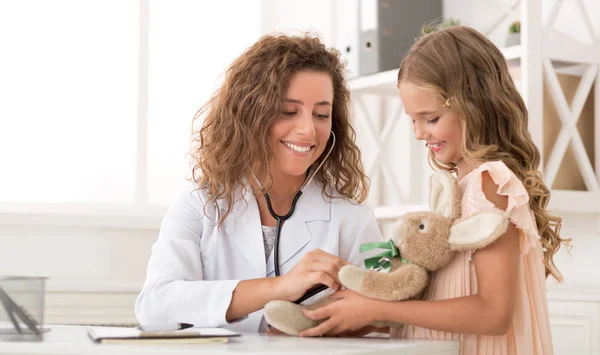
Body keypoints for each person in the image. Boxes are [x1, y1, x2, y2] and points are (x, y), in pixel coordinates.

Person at [297, 26, 570, 354]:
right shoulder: (460, 189)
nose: (418, 133)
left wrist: (379, 309)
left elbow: (493, 313)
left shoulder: (490, 184)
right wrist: (359, 318)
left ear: (474, 105)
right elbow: (444, 300)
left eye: (431, 118)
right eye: (413, 120)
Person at [134, 33, 384, 333]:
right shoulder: (201, 204)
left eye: (321, 114)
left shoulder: (353, 221)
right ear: (250, 113)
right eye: (288, 111)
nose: (308, 130)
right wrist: (279, 288)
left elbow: (386, 318)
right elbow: (155, 306)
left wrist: (342, 326)